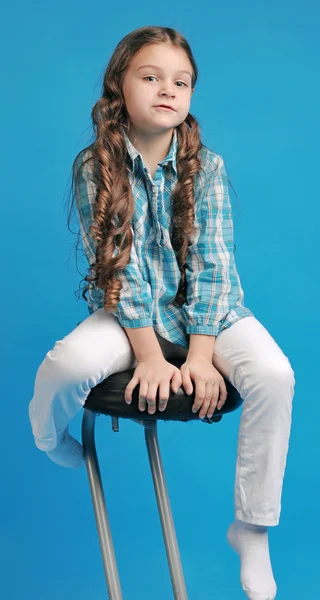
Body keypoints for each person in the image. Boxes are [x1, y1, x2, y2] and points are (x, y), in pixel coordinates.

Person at [28, 25, 295, 600]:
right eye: (150, 77)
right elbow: (118, 270)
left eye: (182, 81)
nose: (167, 90)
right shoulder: (95, 165)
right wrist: (148, 355)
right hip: (134, 312)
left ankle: (252, 528)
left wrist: (200, 355)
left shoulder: (208, 166)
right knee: (67, 367)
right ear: (118, 86)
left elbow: (215, 266)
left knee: (275, 374)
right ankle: (49, 437)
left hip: (208, 312)